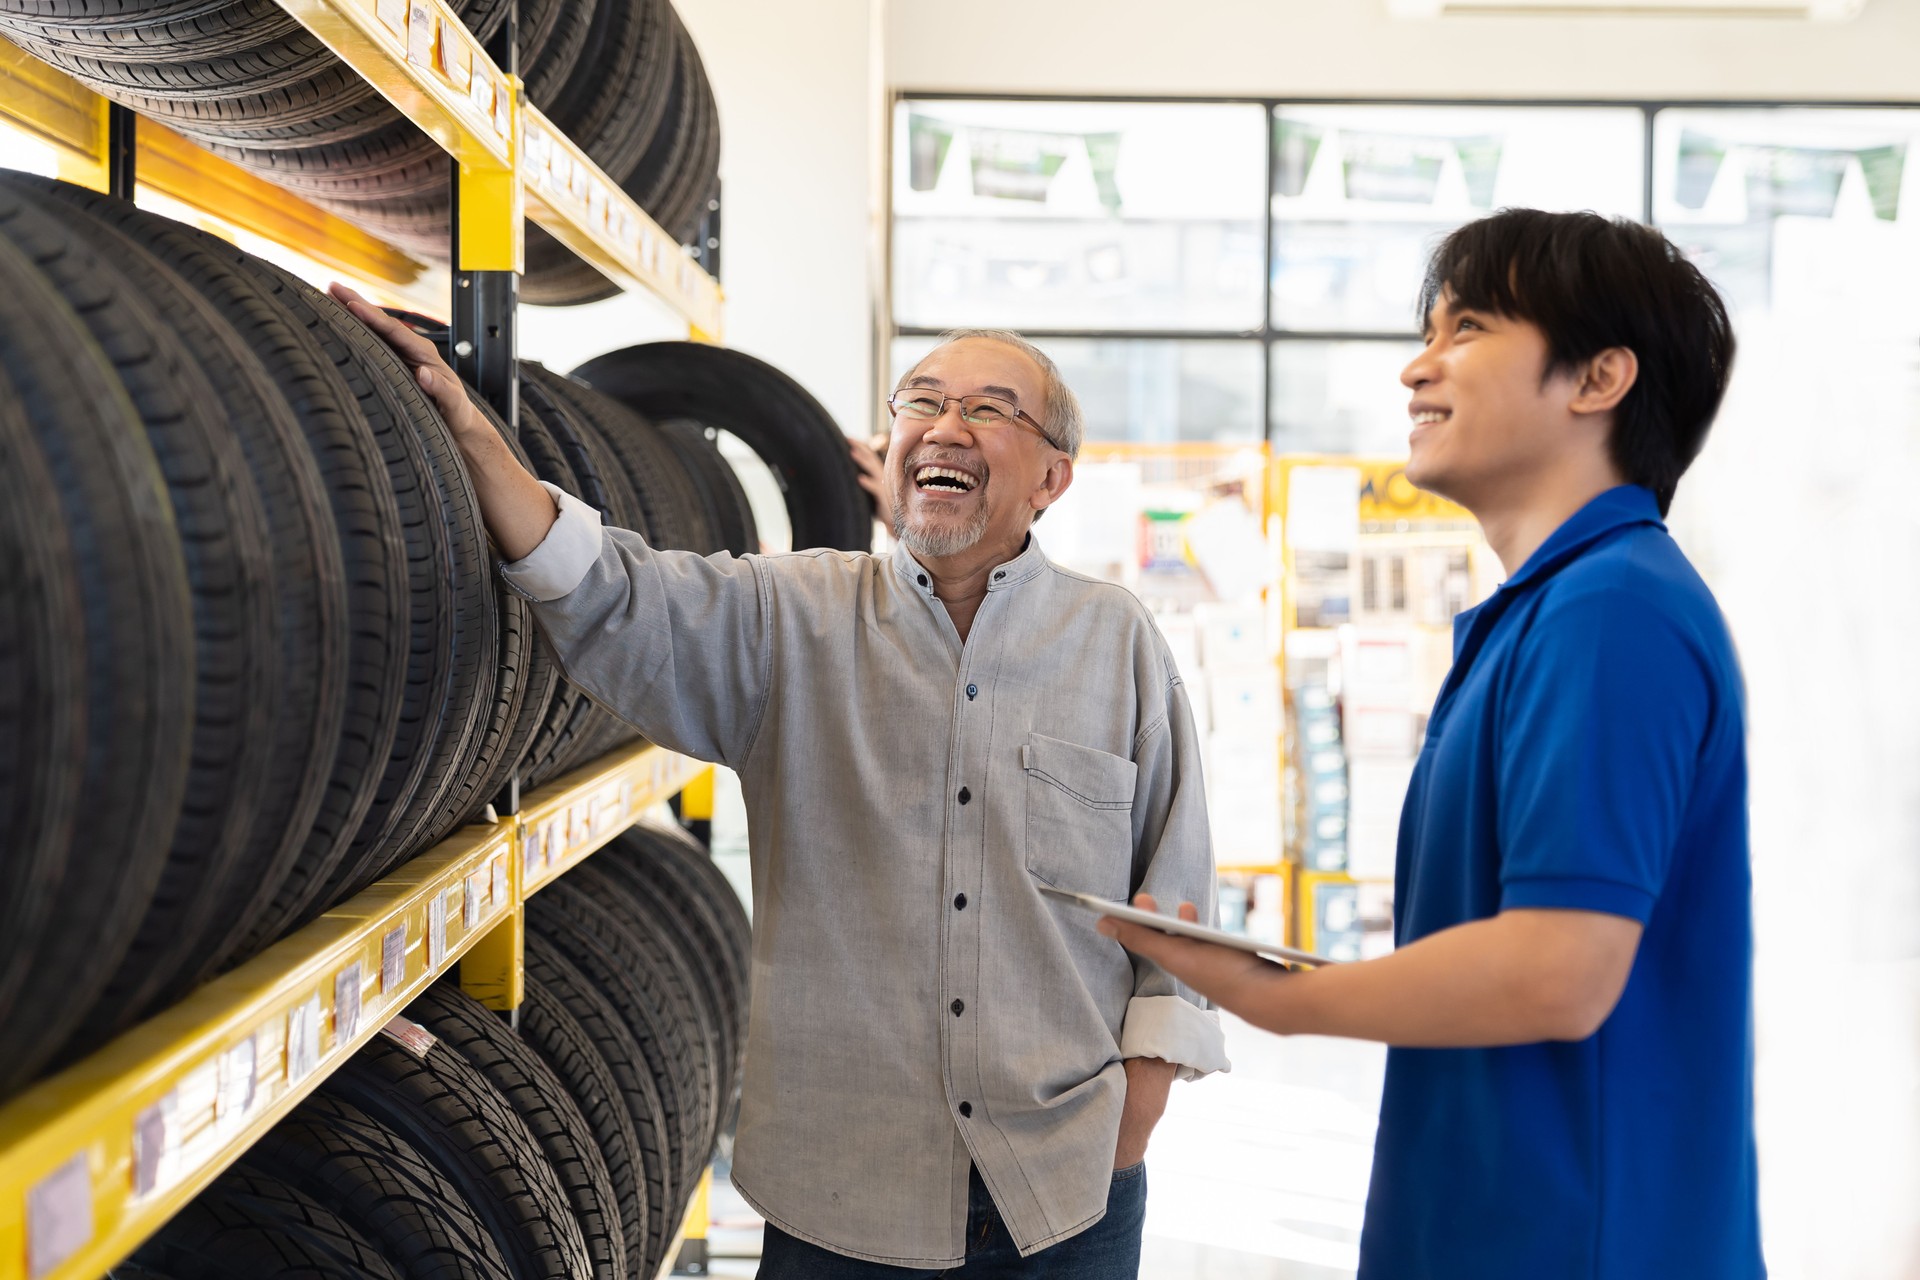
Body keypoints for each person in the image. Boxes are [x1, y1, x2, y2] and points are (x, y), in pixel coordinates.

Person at [328, 297, 1230, 1278]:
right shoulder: (791, 616)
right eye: (921, 400)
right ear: (893, 449)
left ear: (1052, 477)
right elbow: (609, 591)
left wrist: (1135, 1112)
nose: (944, 423)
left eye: (989, 408)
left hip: (1065, 1192)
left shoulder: (1119, 639)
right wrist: (469, 430)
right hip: (841, 1197)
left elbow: (1176, 891)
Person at [1100, 209, 1764, 1279]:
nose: (1418, 368)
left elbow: (1559, 968)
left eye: (1467, 329)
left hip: (1576, 1245)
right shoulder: (1552, 610)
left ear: (1597, 378)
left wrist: (1279, 996)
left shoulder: (1613, 610)